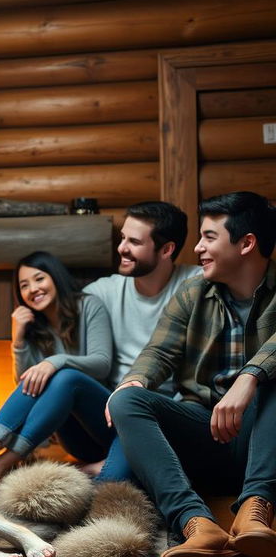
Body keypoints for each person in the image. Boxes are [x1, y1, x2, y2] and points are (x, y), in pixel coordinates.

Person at [108, 191, 276, 557]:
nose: (197, 248)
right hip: (206, 432)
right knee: (127, 400)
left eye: (209, 237)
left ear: (246, 243)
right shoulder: (193, 291)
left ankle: (256, 512)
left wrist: (250, 377)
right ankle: (198, 526)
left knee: (273, 378)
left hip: (263, 438)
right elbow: (158, 353)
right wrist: (133, 381)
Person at [0, 251, 112, 489]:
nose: (33, 289)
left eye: (39, 278)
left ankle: (1, 463)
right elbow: (25, 386)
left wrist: (55, 361)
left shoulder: (89, 306)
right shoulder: (35, 327)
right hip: (75, 440)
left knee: (65, 377)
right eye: (24, 285)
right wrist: (18, 340)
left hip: (105, 426)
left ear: (55, 277)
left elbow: (102, 363)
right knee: (38, 378)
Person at [82, 200, 199, 480]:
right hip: (108, 410)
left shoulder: (197, 286)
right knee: (62, 378)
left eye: (134, 241)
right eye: (123, 238)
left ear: (167, 249)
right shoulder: (105, 290)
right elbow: (61, 313)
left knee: (113, 482)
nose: (121, 247)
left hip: (161, 414)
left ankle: (102, 470)